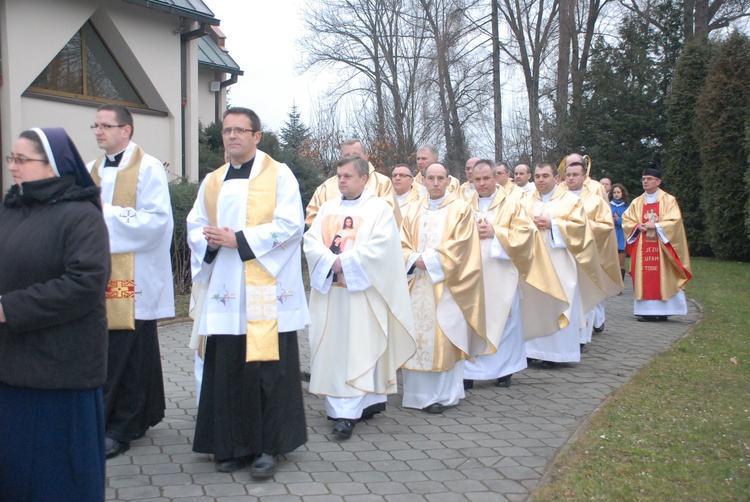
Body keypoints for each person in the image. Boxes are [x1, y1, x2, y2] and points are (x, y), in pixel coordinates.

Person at [187, 107, 309, 477]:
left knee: (267, 371)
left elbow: (292, 224)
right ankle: (230, 445)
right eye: (227, 130)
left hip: (266, 292)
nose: (232, 136)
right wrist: (208, 240)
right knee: (226, 368)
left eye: (241, 130)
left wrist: (237, 240)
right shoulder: (212, 180)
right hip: (226, 287)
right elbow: (195, 224)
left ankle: (268, 448)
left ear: (257, 136)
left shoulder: (279, 174)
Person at [0, 128, 111, 500]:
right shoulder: (12, 208)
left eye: (21, 160)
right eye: (10, 158)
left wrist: (8, 308)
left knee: (55, 478)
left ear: (53, 167)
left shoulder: (81, 215)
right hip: (12, 365)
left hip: (60, 370)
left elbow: (84, 284)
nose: (13, 167)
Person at [304, 155, 416, 440]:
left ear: (364, 179)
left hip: (362, 295)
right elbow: (311, 240)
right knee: (335, 348)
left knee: (358, 347)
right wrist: (330, 261)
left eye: (347, 176)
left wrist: (346, 263)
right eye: (339, 175)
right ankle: (345, 407)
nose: (341, 180)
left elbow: (383, 248)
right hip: (332, 294)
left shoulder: (379, 208)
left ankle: (352, 411)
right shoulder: (328, 207)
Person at [87, 104, 174, 459]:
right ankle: (143, 414)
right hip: (99, 275)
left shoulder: (148, 167)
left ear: (127, 130)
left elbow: (157, 222)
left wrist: (105, 214)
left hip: (134, 277)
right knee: (126, 349)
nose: (98, 131)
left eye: (106, 125)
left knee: (129, 351)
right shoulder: (91, 170)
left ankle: (122, 425)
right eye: (96, 125)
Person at [463, 160, 568, 390]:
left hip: (502, 273)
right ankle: (468, 371)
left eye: (486, 178)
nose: (481, 183)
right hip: (470, 274)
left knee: (505, 322)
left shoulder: (511, 205)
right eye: (477, 179)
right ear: (471, 179)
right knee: (471, 320)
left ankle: (504, 370)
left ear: (496, 178)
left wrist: (495, 232)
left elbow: (526, 235)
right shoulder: (462, 205)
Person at [400, 162, 488, 413]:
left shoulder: (461, 209)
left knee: (444, 337)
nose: (436, 183)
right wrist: (412, 259)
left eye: (440, 178)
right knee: (417, 337)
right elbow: (401, 241)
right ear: (424, 181)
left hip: (448, 286)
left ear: (448, 181)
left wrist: (428, 260)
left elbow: (463, 246)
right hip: (417, 283)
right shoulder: (414, 209)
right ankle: (417, 396)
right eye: (431, 178)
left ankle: (444, 395)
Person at [521, 163, 606, 367]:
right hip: (534, 263)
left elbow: (581, 229)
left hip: (560, 263)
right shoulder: (525, 201)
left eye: (545, 176)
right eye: (537, 176)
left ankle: (558, 354)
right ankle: (531, 349)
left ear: (555, 178)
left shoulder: (570, 201)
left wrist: (554, 225)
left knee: (560, 301)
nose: (541, 180)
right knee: (534, 304)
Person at [622, 163, 692, 322]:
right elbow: (627, 220)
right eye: (643, 179)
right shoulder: (637, 202)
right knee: (645, 275)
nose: (645, 182)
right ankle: (646, 311)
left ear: (658, 181)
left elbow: (675, 221)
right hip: (643, 246)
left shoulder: (669, 200)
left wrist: (657, 226)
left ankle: (664, 310)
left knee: (664, 274)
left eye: (649, 179)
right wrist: (637, 226)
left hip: (662, 248)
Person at [564, 162, 623, 341]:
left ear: (584, 177)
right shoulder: (558, 200)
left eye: (575, 175)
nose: (571, 178)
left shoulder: (595, 201)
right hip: (562, 255)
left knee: (584, 296)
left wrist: (579, 228)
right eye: (568, 175)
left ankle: (582, 337)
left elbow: (605, 226)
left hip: (586, 256)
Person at [305, 139, 401, 227]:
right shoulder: (326, 187)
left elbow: (389, 218)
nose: (351, 159)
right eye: (347, 156)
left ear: (366, 157)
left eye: (356, 156)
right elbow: (312, 217)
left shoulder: (382, 183)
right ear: (341, 157)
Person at [610, 183, 630, 281]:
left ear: (622, 193)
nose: (616, 194)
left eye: (618, 192)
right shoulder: (607, 205)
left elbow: (631, 221)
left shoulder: (628, 206)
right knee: (610, 263)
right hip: (610, 237)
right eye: (614, 192)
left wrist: (619, 220)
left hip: (622, 237)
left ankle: (620, 285)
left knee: (621, 263)